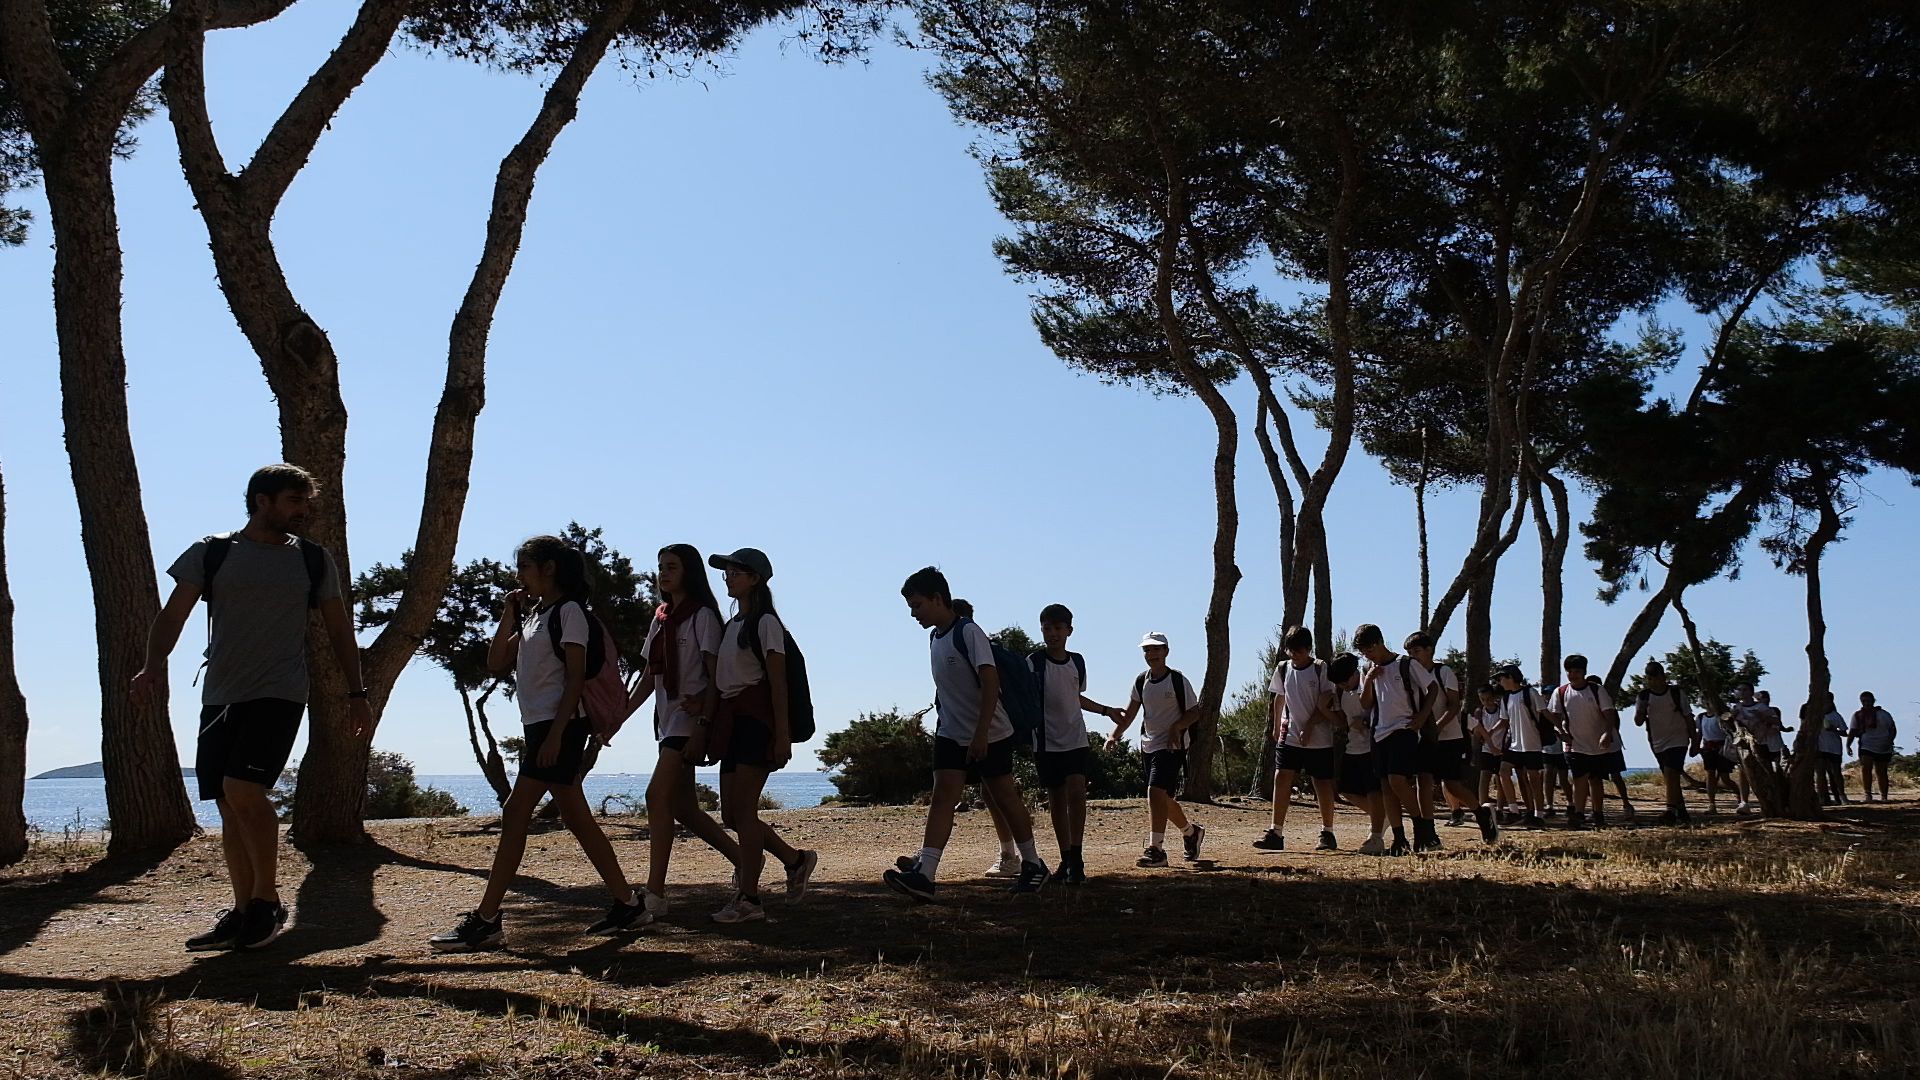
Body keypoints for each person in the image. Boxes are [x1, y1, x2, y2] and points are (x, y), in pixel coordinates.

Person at [132, 464, 374, 952]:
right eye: (293, 501)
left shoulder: (311, 559)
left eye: (305, 502)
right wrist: (152, 665)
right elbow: (173, 614)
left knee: (243, 788)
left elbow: (338, 627)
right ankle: (242, 911)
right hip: (221, 693)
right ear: (262, 501)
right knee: (227, 802)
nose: (302, 511)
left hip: (280, 691)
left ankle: (267, 903)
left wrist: (357, 692)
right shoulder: (213, 551)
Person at [429, 535, 646, 951]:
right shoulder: (536, 615)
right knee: (577, 819)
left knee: (515, 814)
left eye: (525, 566)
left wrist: (558, 735)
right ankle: (627, 902)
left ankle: (487, 918)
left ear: (548, 568)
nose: (519, 575)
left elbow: (577, 677)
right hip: (541, 728)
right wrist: (510, 614)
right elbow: (495, 662)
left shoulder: (570, 613)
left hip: (558, 727)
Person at [885, 568, 1048, 901]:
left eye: (917, 605)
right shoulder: (934, 638)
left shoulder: (968, 632)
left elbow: (990, 683)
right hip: (951, 733)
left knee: (1004, 796)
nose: (913, 613)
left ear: (937, 599)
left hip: (990, 732)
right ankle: (925, 875)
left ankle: (1033, 864)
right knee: (943, 796)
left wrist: (981, 734)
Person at [704, 547, 816, 923]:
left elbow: (778, 680)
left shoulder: (765, 623)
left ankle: (749, 899)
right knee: (733, 816)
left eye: (736, 572)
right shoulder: (734, 623)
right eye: (728, 573)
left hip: (755, 723)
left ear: (755, 578)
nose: (729, 578)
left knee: (746, 814)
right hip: (732, 723)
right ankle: (795, 860)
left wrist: (781, 734)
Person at [1029, 603, 1126, 883]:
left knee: (1076, 792)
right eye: (1047, 628)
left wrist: (1106, 711)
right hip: (1045, 742)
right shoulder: (1033, 662)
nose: (1052, 634)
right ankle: (1065, 859)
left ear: (1069, 630)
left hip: (1075, 739)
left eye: (1058, 628)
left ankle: (1077, 857)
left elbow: (1076, 698)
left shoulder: (1077, 662)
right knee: (1056, 799)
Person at [1110, 631, 1207, 867]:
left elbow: (1195, 711)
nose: (1151, 654)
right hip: (1149, 745)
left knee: (1154, 792)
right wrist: (1114, 735)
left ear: (1166, 651)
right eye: (1147, 650)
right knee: (1162, 798)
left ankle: (1156, 849)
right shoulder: (1141, 681)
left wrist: (1178, 727)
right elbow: (1130, 713)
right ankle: (1191, 832)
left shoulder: (1178, 680)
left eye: (1156, 649)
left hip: (1172, 746)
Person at [1255, 626, 1342, 853]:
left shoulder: (1320, 668)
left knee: (1321, 782)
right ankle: (1276, 831)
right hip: (1289, 733)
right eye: (1292, 650)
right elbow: (1279, 697)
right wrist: (1276, 727)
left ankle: (1327, 832)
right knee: (1281, 776)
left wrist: (1310, 727)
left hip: (1319, 737)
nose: (1296, 654)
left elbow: (1326, 699)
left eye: (1300, 650)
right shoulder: (1283, 668)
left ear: (1308, 649)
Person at [1355, 624, 1437, 855]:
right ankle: (1399, 838)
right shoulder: (1368, 669)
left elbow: (1432, 688)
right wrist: (1369, 679)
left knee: (1397, 780)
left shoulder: (1406, 664)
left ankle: (1421, 827)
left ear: (1380, 643)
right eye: (1363, 652)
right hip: (1378, 731)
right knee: (1386, 787)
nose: (1368, 655)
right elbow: (1365, 703)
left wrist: (1421, 717)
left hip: (1404, 728)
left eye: (1369, 650)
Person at [1405, 633, 1495, 843]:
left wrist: (1438, 727)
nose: (1413, 657)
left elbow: (1454, 705)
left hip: (1450, 738)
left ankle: (1481, 814)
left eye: (1417, 651)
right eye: (1410, 653)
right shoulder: (1411, 676)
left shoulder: (1443, 672)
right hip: (1424, 738)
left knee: (1453, 785)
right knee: (1423, 781)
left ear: (1429, 650)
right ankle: (1428, 832)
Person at [1550, 654, 1620, 829]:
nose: (1573, 675)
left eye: (1577, 671)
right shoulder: (1561, 692)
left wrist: (1606, 733)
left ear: (1584, 672)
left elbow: (1609, 713)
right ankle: (1578, 813)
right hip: (1575, 745)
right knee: (1579, 779)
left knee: (1596, 780)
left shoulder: (1597, 690)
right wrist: (1560, 730)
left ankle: (1598, 813)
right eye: (1570, 671)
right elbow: (1554, 715)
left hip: (1597, 745)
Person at [1330, 654, 1387, 855]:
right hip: (1353, 746)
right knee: (1346, 789)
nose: (1344, 686)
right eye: (1339, 683)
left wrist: (1364, 723)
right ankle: (1382, 817)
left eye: (1346, 681)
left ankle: (1376, 836)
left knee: (1373, 791)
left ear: (1355, 673)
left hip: (1372, 746)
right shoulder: (1340, 691)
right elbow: (1341, 720)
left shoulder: (1369, 681)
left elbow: (1382, 711)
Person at [1632, 660, 1696, 824]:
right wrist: (1642, 709)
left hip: (1678, 738)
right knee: (1670, 777)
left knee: (1671, 772)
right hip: (1657, 740)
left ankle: (1670, 810)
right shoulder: (1644, 696)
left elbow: (1689, 716)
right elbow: (1638, 721)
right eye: (1650, 678)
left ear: (1663, 676)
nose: (1654, 681)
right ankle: (1681, 810)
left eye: (1657, 677)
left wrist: (1694, 739)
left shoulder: (1676, 693)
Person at [1497, 666, 1549, 829]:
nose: (1500, 682)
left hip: (1532, 744)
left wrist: (1561, 729)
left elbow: (1544, 712)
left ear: (1511, 677)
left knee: (1534, 780)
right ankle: (1514, 810)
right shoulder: (1506, 698)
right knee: (1503, 772)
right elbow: (1504, 721)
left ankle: (1538, 815)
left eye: (1502, 678)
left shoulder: (1530, 693)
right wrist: (1490, 733)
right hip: (1514, 745)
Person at [1468, 684, 1517, 822]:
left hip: (1501, 749)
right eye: (1483, 699)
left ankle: (1500, 808)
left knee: (1500, 779)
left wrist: (1499, 747)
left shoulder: (1501, 711)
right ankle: (1482, 807)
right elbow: (1479, 732)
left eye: (1489, 698)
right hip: (1487, 749)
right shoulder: (1480, 713)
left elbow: (1505, 725)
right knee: (1484, 778)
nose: (1486, 702)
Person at [1695, 705, 1747, 813]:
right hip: (1708, 749)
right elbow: (1700, 733)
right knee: (1710, 774)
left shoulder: (1721, 716)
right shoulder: (1701, 717)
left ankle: (1740, 798)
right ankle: (1711, 804)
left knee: (1725, 778)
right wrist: (1695, 746)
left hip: (1722, 749)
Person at [1850, 692, 1897, 803]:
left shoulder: (1884, 714)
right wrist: (1848, 745)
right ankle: (1868, 795)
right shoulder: (1858, 715)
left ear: (1873, 701)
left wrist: (1890, 741)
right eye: (1863, 701)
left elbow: (1892, 729)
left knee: (1881, 771)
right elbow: (1853, 730)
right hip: (1866, 745)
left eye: (1868, 701)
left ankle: (1884, 796)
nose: (1866, 703)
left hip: (1883, 745)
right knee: (1866, 768)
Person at [1813, 693, 1849, 806]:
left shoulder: (1835, 716)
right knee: (1821, 773)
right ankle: (1822, 797)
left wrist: (1834, 729)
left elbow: (1844, 732)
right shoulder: (1815, 715)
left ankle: (1841, 796)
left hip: (1834, 747)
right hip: (1820, 747)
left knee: (1836, 773)